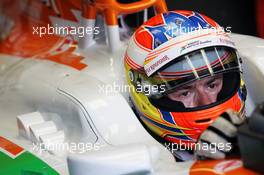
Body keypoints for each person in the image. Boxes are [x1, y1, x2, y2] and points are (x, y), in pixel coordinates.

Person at [124, 10, 247, 161]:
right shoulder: (134, 157)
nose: (207, 101)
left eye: (212, 85)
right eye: (184, 93)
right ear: (143, 91)